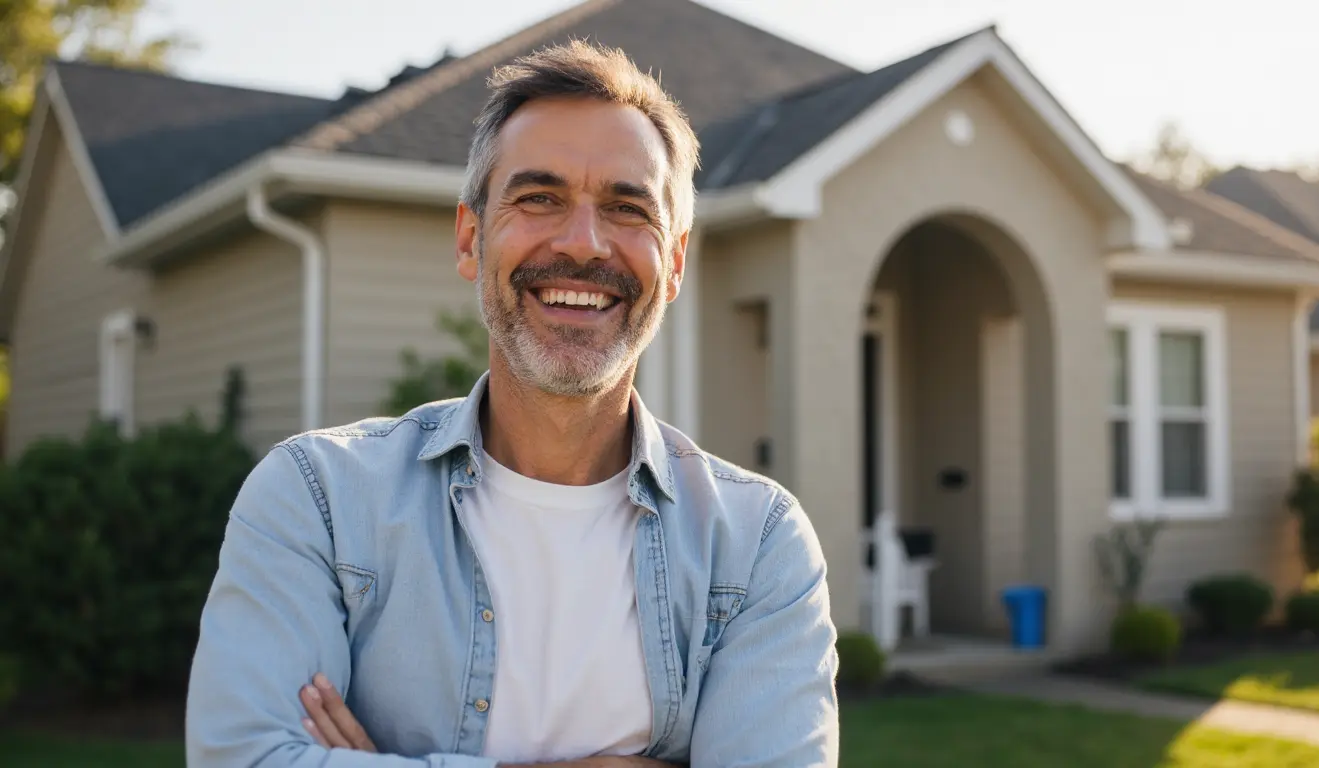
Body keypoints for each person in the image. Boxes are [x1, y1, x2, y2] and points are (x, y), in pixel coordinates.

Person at [185, 40, 838, 768]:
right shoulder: (319, 500)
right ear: (471, 238)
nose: (585, 245)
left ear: (675, 262)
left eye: (628, 209)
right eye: (539, 198)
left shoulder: (756, 545)